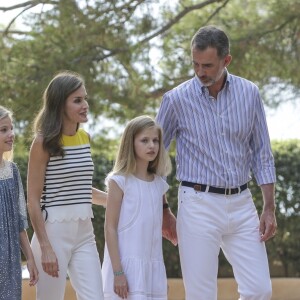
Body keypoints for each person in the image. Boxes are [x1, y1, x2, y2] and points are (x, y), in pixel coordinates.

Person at [156, 25, 277, 300]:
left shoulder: (250, 93)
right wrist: (163, 208)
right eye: (195, 64)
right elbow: (155, 157)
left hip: (242, 203)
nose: (200, 72)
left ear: (226, 60)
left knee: (260, 290)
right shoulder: (175, 100)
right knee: (201, 295)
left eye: (208, 65)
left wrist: (268, 207)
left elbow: (262, 153)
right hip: (197, 204)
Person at [27, 71, 107, 300]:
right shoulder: (43, 142)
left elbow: (82, 191)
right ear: (60, 104)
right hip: (53, 234)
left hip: (84, 233)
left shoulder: (85, 139)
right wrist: (45, 247)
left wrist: (120, 199)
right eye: (77, 100)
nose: (85, 105)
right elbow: (32, 199)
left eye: (85, 99)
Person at [102, 115, 172, 300]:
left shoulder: (159, 185)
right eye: (145, 140)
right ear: (130, 143)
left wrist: (160, 279)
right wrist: (118, 273)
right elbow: (110, 228)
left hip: (153, 271)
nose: (152, 146)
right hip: (125, 272)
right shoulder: (119, 181)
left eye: (156, 140)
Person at [0, 105, 38, 300]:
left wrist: (30, 258)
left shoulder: (12, 171)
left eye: (11, 128)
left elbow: (19, 223)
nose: (11, 134)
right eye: (3, 129)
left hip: (10, 261)